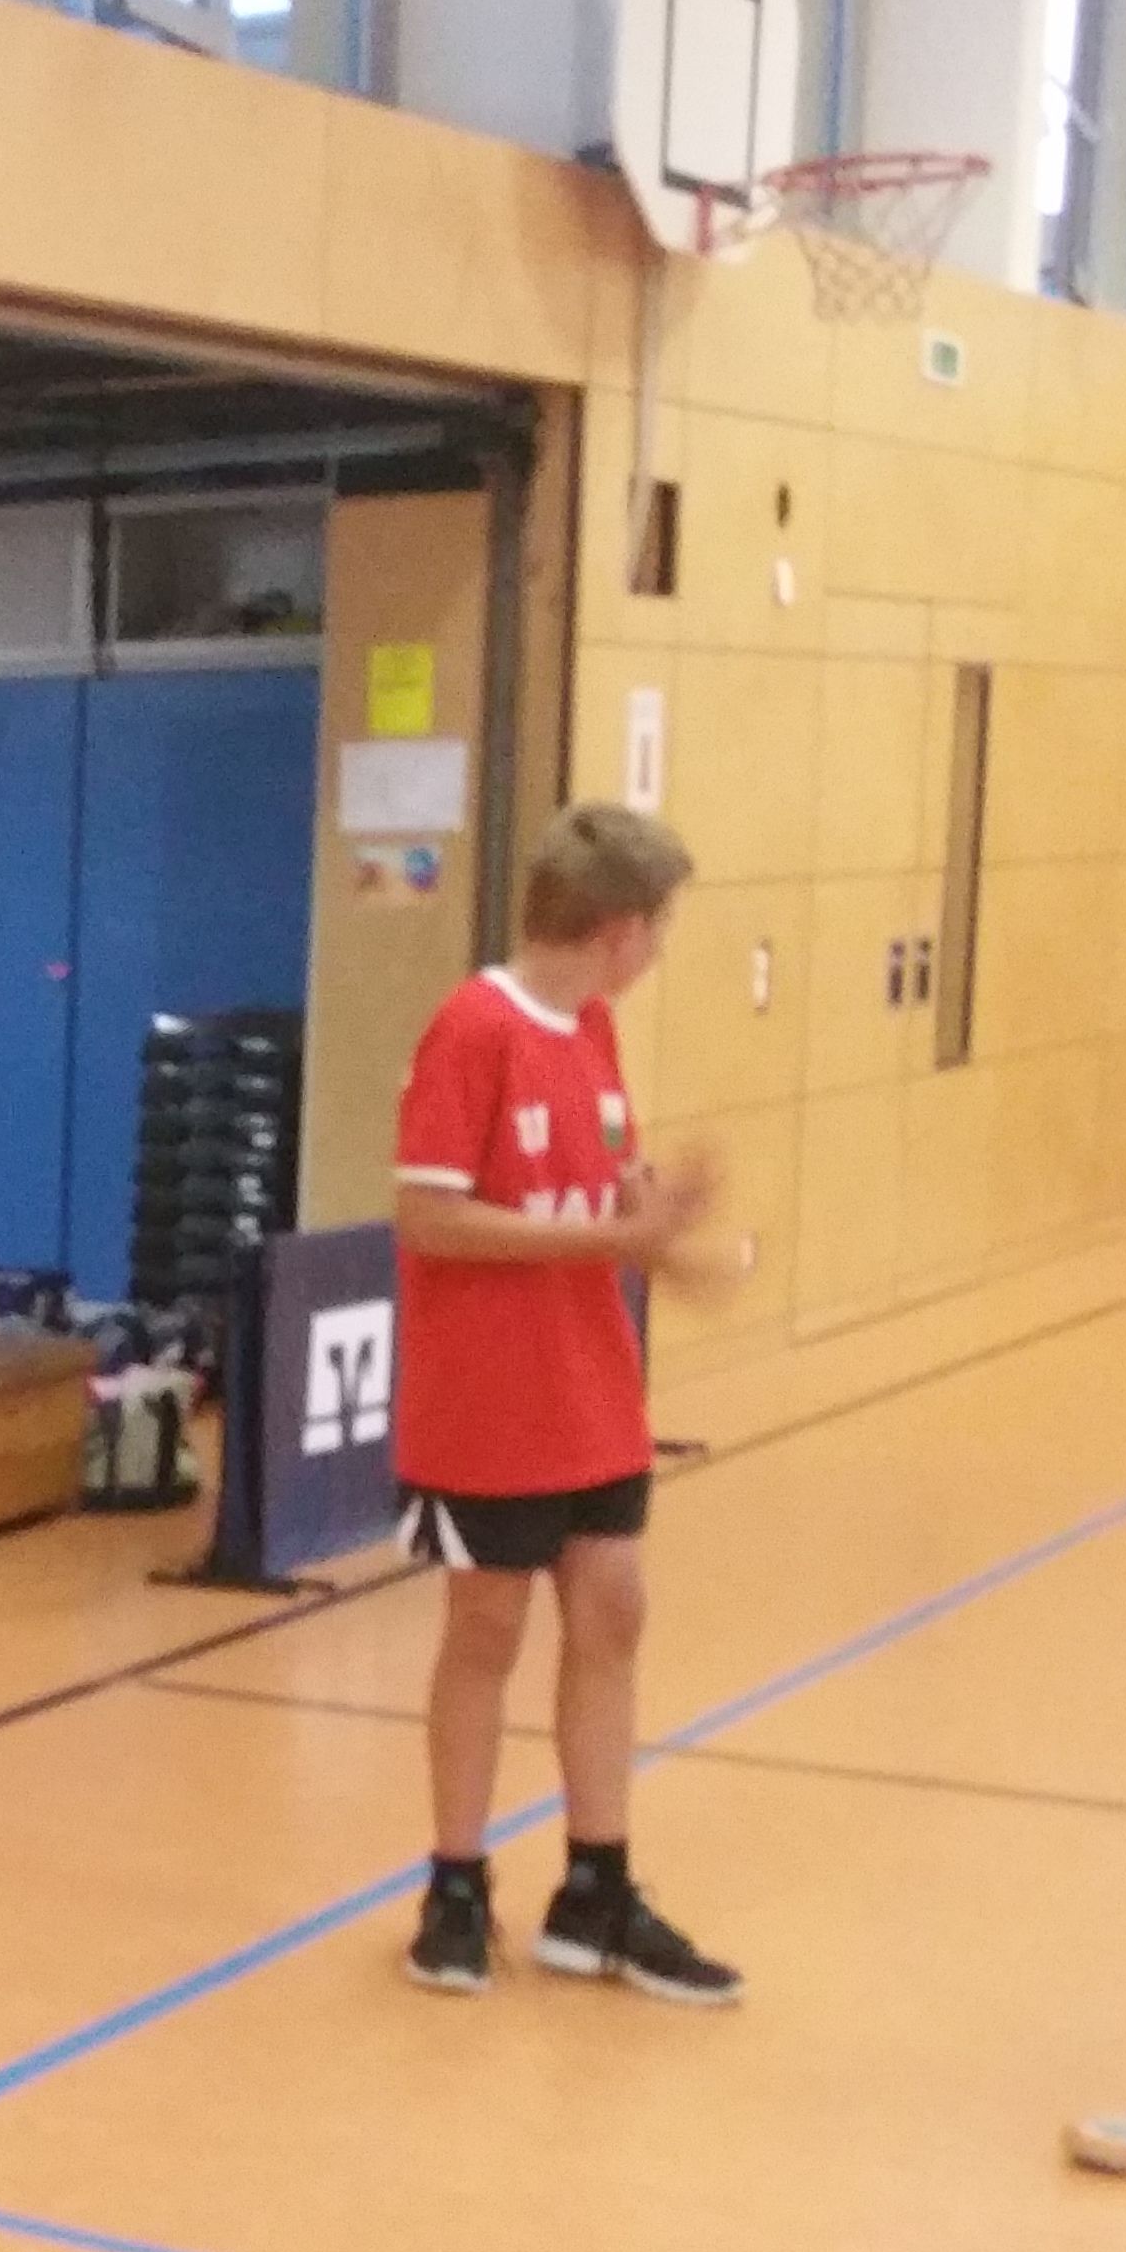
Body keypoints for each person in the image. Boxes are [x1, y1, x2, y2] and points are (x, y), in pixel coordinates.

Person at [390, 800, 754, 2007]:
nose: (655, 951)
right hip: (485, 1401)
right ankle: (453, 1889)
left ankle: (594, 1891)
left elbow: (607, 1199)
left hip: (590, 1393)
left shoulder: (592, 1032)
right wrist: (609, 1238)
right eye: (657, 928)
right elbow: (428, 1217)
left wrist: (669, 1242)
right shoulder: (471, 1028)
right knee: (483, 1632)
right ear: (615, 930)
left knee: (611, 1614)